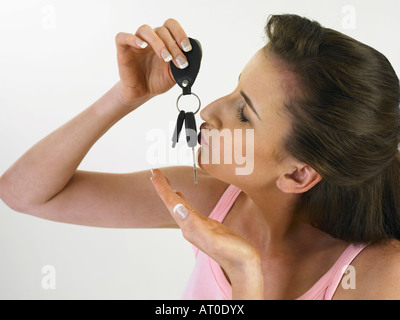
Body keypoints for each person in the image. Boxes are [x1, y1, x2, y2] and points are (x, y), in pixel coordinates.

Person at [1, 14, 400, 300]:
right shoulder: (214, 201)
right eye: (234, 87)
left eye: (244, 114)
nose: (208, 110)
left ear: (298, 175)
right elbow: (25, 194)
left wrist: (246, 278)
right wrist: (125, 96)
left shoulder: (379, 277)